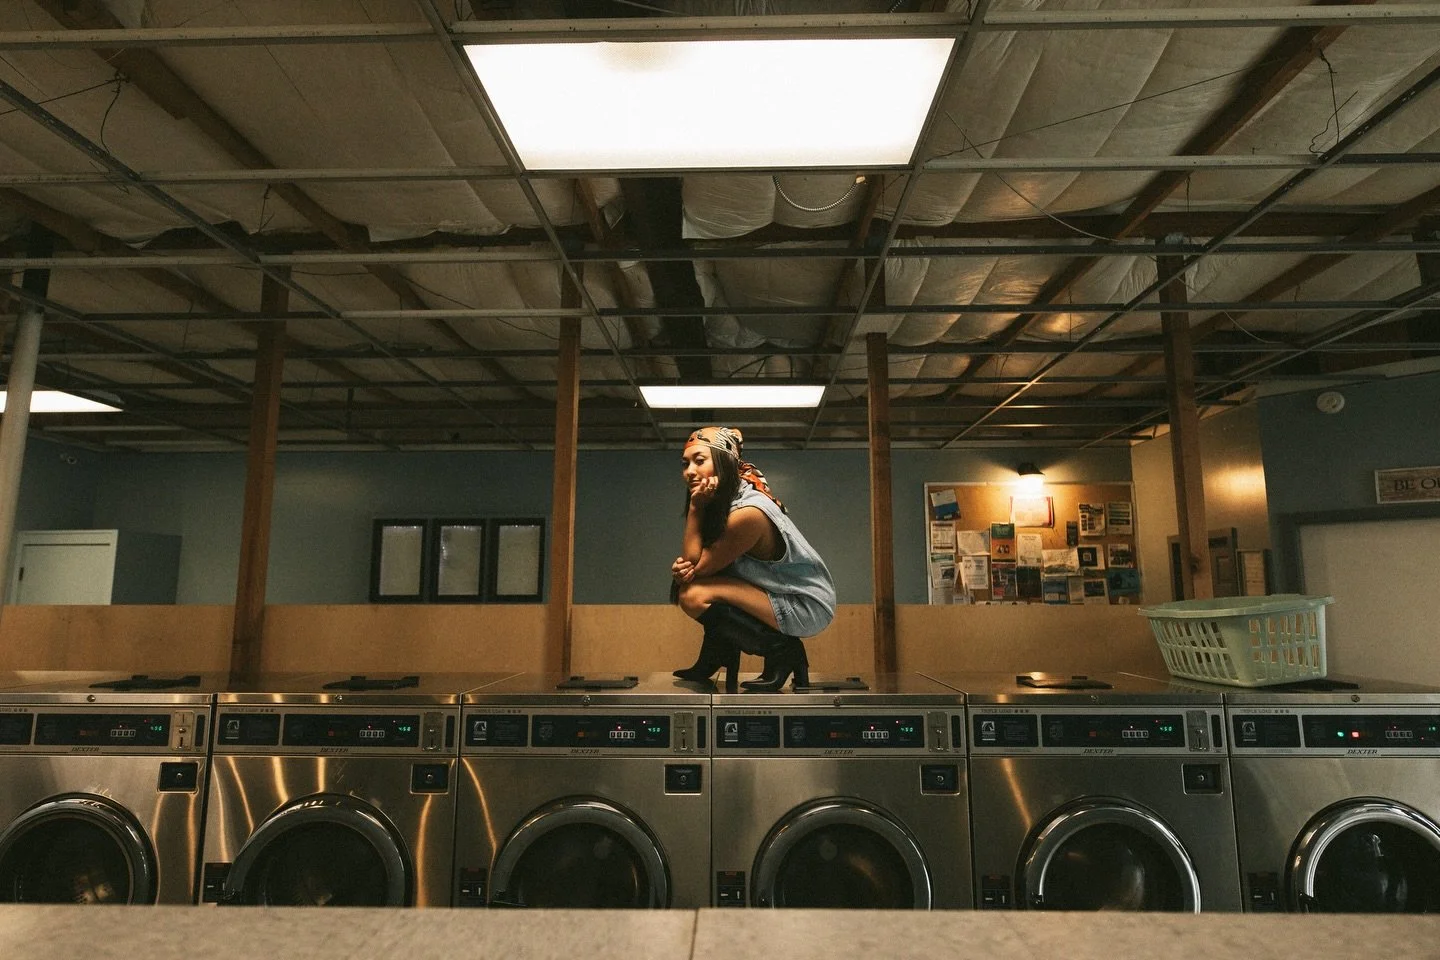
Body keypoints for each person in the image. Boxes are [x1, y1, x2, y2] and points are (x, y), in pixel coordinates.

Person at [669, 426, 836, 691]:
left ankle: (783, 651)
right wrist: (687, 565)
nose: (689, 471)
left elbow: (697, 571)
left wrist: (694, 509)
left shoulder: (747, 513)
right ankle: (718, 652)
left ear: (724, 463)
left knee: (693, 594)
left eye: (700, 461)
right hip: (778, 594)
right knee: (695, 588)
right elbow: (694, 564)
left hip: (804, 603)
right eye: (685, 463)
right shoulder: (724, 501)